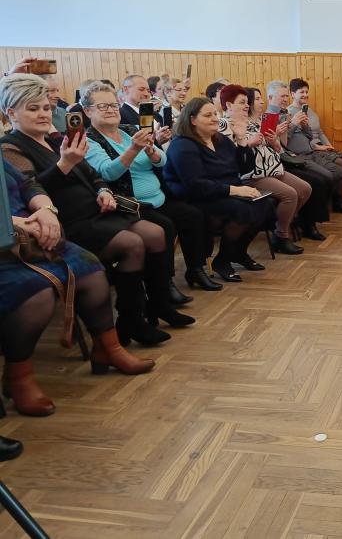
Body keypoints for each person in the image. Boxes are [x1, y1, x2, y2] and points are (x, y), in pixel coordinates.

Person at [0, 73, 178, 347]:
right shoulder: (10, 147)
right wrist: (64, 164)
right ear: (12, 113)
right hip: (69, 219)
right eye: (33, 109)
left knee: (156, 233)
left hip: (95, 208)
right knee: (132, 244)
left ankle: (155, 306)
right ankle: (131, 319)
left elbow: (93, 173)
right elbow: (32, 189)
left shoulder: (56, 138)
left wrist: (103, 190)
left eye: (46, 107)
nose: (43, 114)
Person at [1, 159, 155, 417]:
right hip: (8, 244)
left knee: (92, 271)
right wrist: (18, 223)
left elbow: (28, 184)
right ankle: (18, 377)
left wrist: (46, 210)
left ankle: (108, 349)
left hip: (34, 235)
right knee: (36, 295)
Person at [83, 81, 219, 302]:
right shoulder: (90, 140)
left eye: (113, 105)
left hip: (157, 198)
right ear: (88, 111)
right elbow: (108, 172)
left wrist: (152, 153)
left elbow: (161, 160)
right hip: (130, 204)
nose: (110, 110)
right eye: (102, 106)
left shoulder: (129, 130)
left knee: (193, 215)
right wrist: (134, 149)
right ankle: (165, 283)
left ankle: (196, 269)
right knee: (164, 226)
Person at [163, 97, 272, 283]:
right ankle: (223, 260)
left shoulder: (220, 140)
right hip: (196, 197)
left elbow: (245, 168)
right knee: (242, 210)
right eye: (208, 115)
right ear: (192, 119)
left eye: (215, 114)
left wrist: (241, 140)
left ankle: (238, 252)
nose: (215, 118)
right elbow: (196, 185)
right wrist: (236, 190)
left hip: (223, 191)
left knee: (265, 204)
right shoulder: (182, 145)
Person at [218, 85, 311, 255]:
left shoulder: (253, 122)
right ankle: (281, 236)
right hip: (253, 174)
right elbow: (229, 155)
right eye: (242, 102)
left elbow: (277, 148)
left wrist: (274, 141)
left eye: (247, 102)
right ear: (229, 105)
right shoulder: (224, 124)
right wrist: (248, 143)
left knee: (305, 189)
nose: (247, 105)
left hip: (272, 167)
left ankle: (282, 223)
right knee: (290, 195)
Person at [266, 80, 331, 241]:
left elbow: (295, 140)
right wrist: (292, 125)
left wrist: (302, 125)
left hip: (290, 157)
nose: (285, 99)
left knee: (322, 179)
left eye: (285, 96)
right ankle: (306, 224)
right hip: (281, 162)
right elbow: (281, 146)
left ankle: (306, 221)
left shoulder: (285, 113)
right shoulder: (269, 116)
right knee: (316, 181)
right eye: (282, 96)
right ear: (270, 98)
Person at [287, 78, 342, 214]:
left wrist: (328, 144)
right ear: (293, 94)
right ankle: (337, 200)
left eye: (307, 92)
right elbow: (301, 138)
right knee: (340, 164)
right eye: (301, 92)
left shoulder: (310, 111)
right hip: (312, 148)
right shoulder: (289, 113)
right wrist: (317, 147)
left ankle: (339, 197)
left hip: (320, 145)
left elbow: (320, 131)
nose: (305, 94)